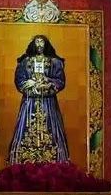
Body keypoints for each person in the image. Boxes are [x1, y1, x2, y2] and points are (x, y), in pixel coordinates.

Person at [7, 34, 71, 165]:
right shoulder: (25, 62)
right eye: (37, 42)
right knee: (26, 128)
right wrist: (30, 84)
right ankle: (24, 160)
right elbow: (19, 80)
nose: (39, 44)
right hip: (29, 102)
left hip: (48, 103)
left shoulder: (54, 62)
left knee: (51, 129)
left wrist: (47, 82)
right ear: (33, 44)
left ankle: (54, 161)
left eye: (42, 42)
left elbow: (60, 81)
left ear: (46, 44)